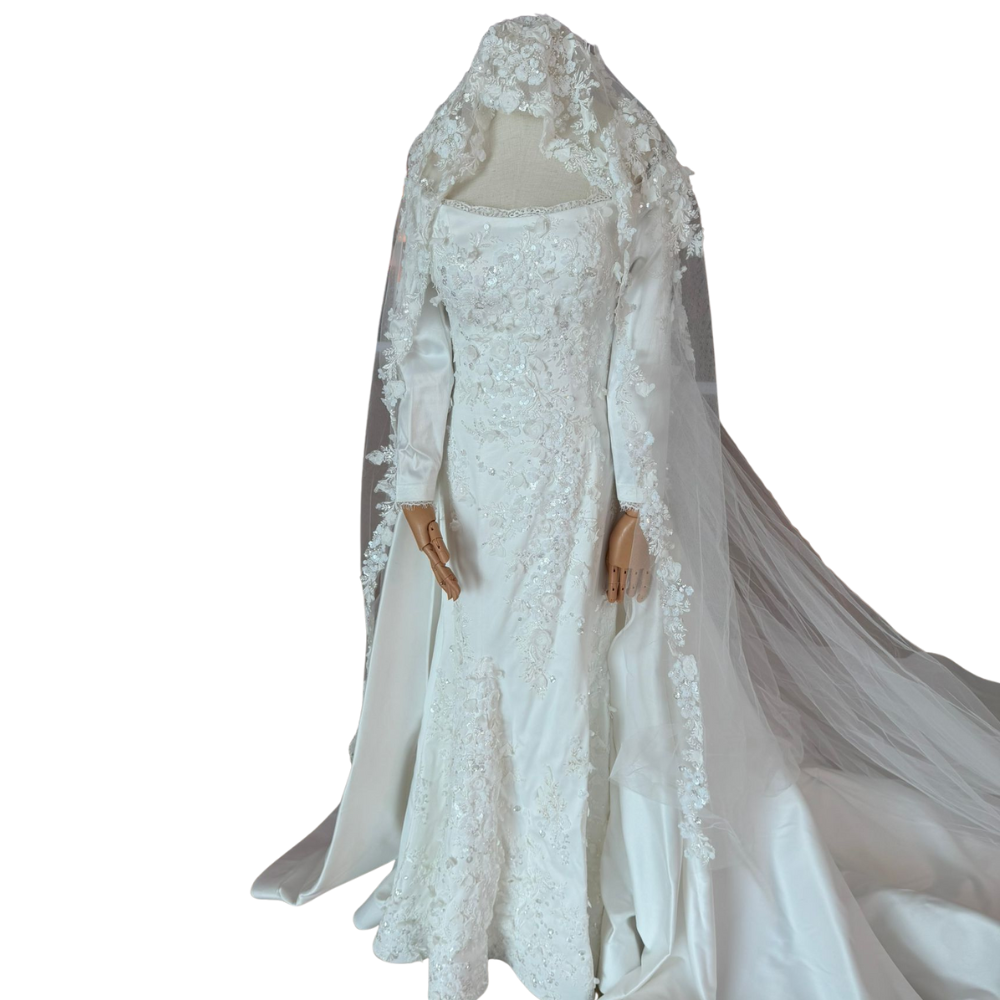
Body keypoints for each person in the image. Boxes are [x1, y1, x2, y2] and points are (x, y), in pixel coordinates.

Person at [252, 15, 1000, 1000]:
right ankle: (469, 888)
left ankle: (564, 909)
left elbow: (643, 355)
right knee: (477, 671)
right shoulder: (442, 159)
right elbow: (423, 340)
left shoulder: (622, 159)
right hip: (475, 478)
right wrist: (419, 481)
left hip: (575, 473)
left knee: (567, 675)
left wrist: (639, 501)